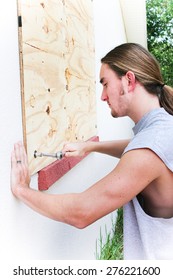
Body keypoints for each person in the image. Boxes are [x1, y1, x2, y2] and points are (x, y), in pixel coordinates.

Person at [11, 43, 173, 259]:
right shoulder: (161, 129)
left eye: (105, 84)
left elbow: (81, 212)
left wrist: (22, 190)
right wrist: (90, 146)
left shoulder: (150, 145)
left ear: (129, 80)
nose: (103, 96)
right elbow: (137, 148)